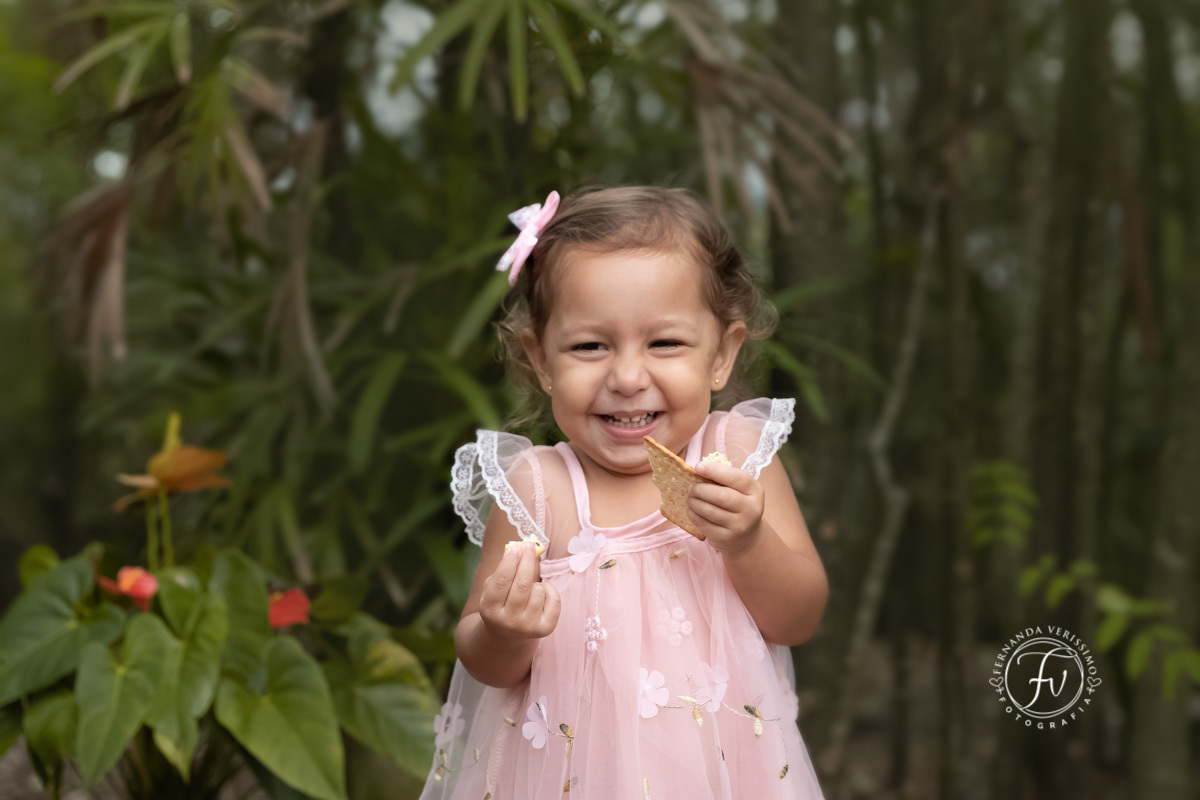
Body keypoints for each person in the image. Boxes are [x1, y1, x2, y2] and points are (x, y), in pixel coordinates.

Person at [418, 186, 828, 799]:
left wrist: (748, 542)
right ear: (541, 360)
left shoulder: (736, 459)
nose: (628, 377)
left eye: (664, 343)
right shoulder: (538, 489)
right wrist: (503, 631)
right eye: (590, 346)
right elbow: (485, 662)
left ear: (722, 354)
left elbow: (798, 618)